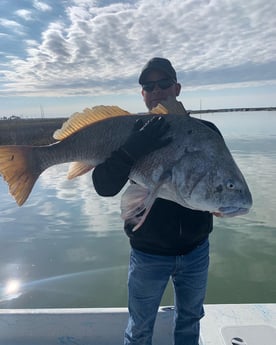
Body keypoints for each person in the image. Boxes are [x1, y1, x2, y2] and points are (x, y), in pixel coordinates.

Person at [92, 57, 222, 345]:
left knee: (190, 321)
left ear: (177, 88)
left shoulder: (206, 131)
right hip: (148, 254)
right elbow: (104, 187)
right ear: (142, 94)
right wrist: (131, 150)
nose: (157, 90)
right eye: (148, 86)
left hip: (196, 251)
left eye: (164, 83)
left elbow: (219, 182)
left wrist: (223, 203)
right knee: (139, 328)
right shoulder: (131, 132)